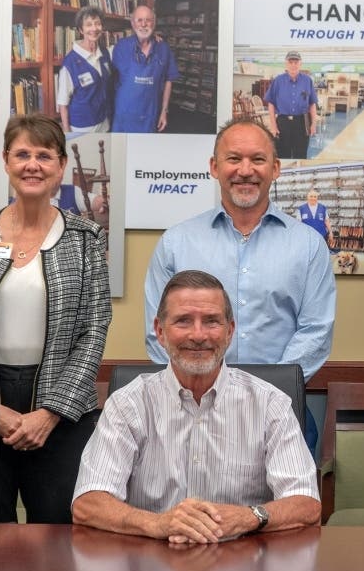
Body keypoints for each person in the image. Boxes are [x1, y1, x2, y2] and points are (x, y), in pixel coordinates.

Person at [0, 113, 111, 524]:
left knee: (61, 529)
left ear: (61, 165)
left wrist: (49, 412)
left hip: (63, 408)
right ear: (7, 162)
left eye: (45, 155)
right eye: (23, 154)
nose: (34, 165)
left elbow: (93, 329)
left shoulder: (86, 239)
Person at [73, 270, 320, 543]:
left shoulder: (270, 404)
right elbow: (88, 502)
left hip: (243, 565)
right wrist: (157, 524)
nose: (198, 334)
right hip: (150, 564)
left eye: (212, 321)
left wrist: (247, 517)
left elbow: (306, 502)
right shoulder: (127, 404)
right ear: (160, 331)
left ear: (230, 331)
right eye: (183, 321)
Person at [143, 118, 335, 389]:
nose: (245, 171)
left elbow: (316, 332)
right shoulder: (176, 243)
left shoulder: (309, 246)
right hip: (191, 406)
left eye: (257, 159)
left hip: (281, 408)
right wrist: (202, 389)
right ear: (214, 167)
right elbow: (158, 333)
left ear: (276, 168)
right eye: (234, 158)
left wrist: (265, 395)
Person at [110, 4, 180, 133]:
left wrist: (164, 111)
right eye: (139, 20)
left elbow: (168, 80)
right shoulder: (120, 47)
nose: (143, 24)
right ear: (132, 23)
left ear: (154, 23)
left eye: (148, 20)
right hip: (124, 116)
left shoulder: (163, 48)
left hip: (149, 115)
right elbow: (110, 78)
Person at [56, 5, 112, 133]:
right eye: (88, 24)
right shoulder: (70, 62)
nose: (94, 28)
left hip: (104, 122)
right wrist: (66, 132)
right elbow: (63, 103)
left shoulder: (105, 53)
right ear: (81, 30)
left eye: (97, 24)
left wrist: (153, 39)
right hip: (82, 126)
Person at [264, 51, 317, 160]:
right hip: (283, 123)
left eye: (296, 62)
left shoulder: (307, 81)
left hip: (302, 123)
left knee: (301, 155)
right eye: (290, 62)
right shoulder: (278, 81)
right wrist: (273, 126)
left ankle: (300, 176)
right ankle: (283, 177)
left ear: (300, 64)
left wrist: (314, 124)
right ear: (286, 64)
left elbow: (312, 104)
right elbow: (271, 104)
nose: (293, 65)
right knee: (282, 155)